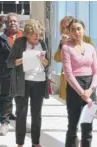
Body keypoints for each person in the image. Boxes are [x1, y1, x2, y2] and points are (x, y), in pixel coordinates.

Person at [7, 19, 49, 147]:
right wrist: (23, 59)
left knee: (37, 114)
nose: (37, 36)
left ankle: (36, 142)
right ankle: (20, 143)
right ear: (27, 33)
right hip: (22, 82)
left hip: (39, 82)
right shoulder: (20, 42)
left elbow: (48, 64)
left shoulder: (42, 43)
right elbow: (10, 62)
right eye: (34, 34)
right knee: (21, 113)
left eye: (39, 34)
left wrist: (43, 61)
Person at [0, 13, 23, 136]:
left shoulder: (26, 37)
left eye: (15, 21)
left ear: (19, 23)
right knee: (5, 97)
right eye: (10, 21)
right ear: (5, 24)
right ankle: (4, 123)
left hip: (24, 72)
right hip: (6, 72)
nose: (12, 23)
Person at [61, 19, 97, 147]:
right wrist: (82, 92)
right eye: (72, 30)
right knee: (73, 124)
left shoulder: (91, 47)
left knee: (87, 125)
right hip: (74, 87)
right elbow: (68, 74)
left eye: (79, 29)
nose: (76, 32)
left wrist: (90, 90)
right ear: (69, 32)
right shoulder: (66, 48)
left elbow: (95, 72)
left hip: (90, 87)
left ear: (84, 30)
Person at [54, 16, 94, 100]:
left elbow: (93, 59)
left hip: (87, 80)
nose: (65, 30)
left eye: (67, 26)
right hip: (69, 80)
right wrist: (62, 45)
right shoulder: (64, 43)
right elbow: (57, 59)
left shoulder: (86, 39)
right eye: (63, 27)